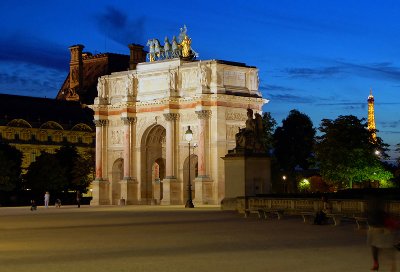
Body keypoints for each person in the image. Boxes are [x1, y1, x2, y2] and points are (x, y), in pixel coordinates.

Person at [366, 193, 397, 271]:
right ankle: (376, 263)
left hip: (380, 230)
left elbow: (387, 221)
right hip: (374, 230)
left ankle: (390, 266)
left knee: (385, 249)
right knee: (375, 247)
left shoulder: (379, 212)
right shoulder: (373, 211)